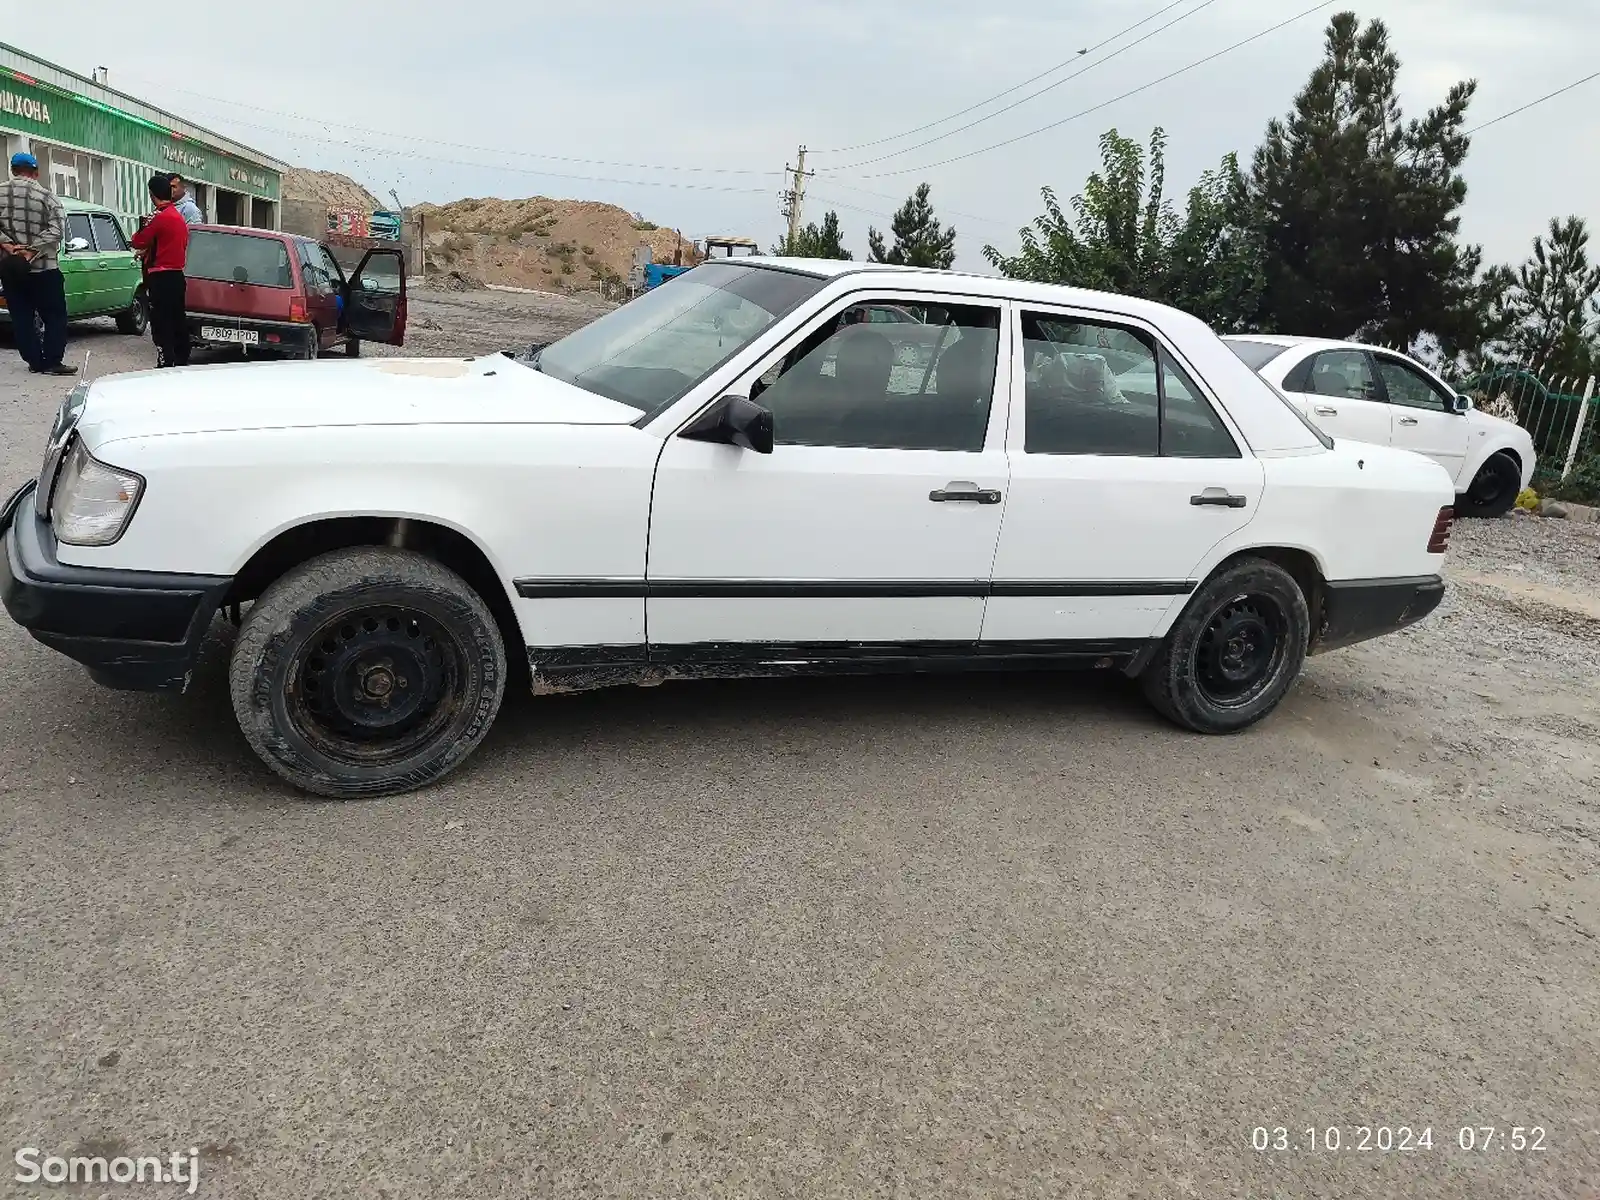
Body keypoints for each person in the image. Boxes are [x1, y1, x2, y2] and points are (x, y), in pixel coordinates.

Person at [0, 151, 75, 375]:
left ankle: (34, 361)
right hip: (44, 269)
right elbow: (57, 231)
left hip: (10, 268)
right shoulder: (48, 197)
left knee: (21, 316)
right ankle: (52, 362)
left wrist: (8, 245)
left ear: (12, 170)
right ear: (36, 173)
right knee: (54, 316)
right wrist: (31, 250)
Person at [129, 173, 190, 368]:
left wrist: (144, 228)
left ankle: (165, 362)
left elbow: (138, 240)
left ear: (152, 194)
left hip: (161, 277)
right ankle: (181, 359)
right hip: (177, 275)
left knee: (161, 322)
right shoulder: (178, 217)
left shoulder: (159, 217)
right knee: (178, 319)